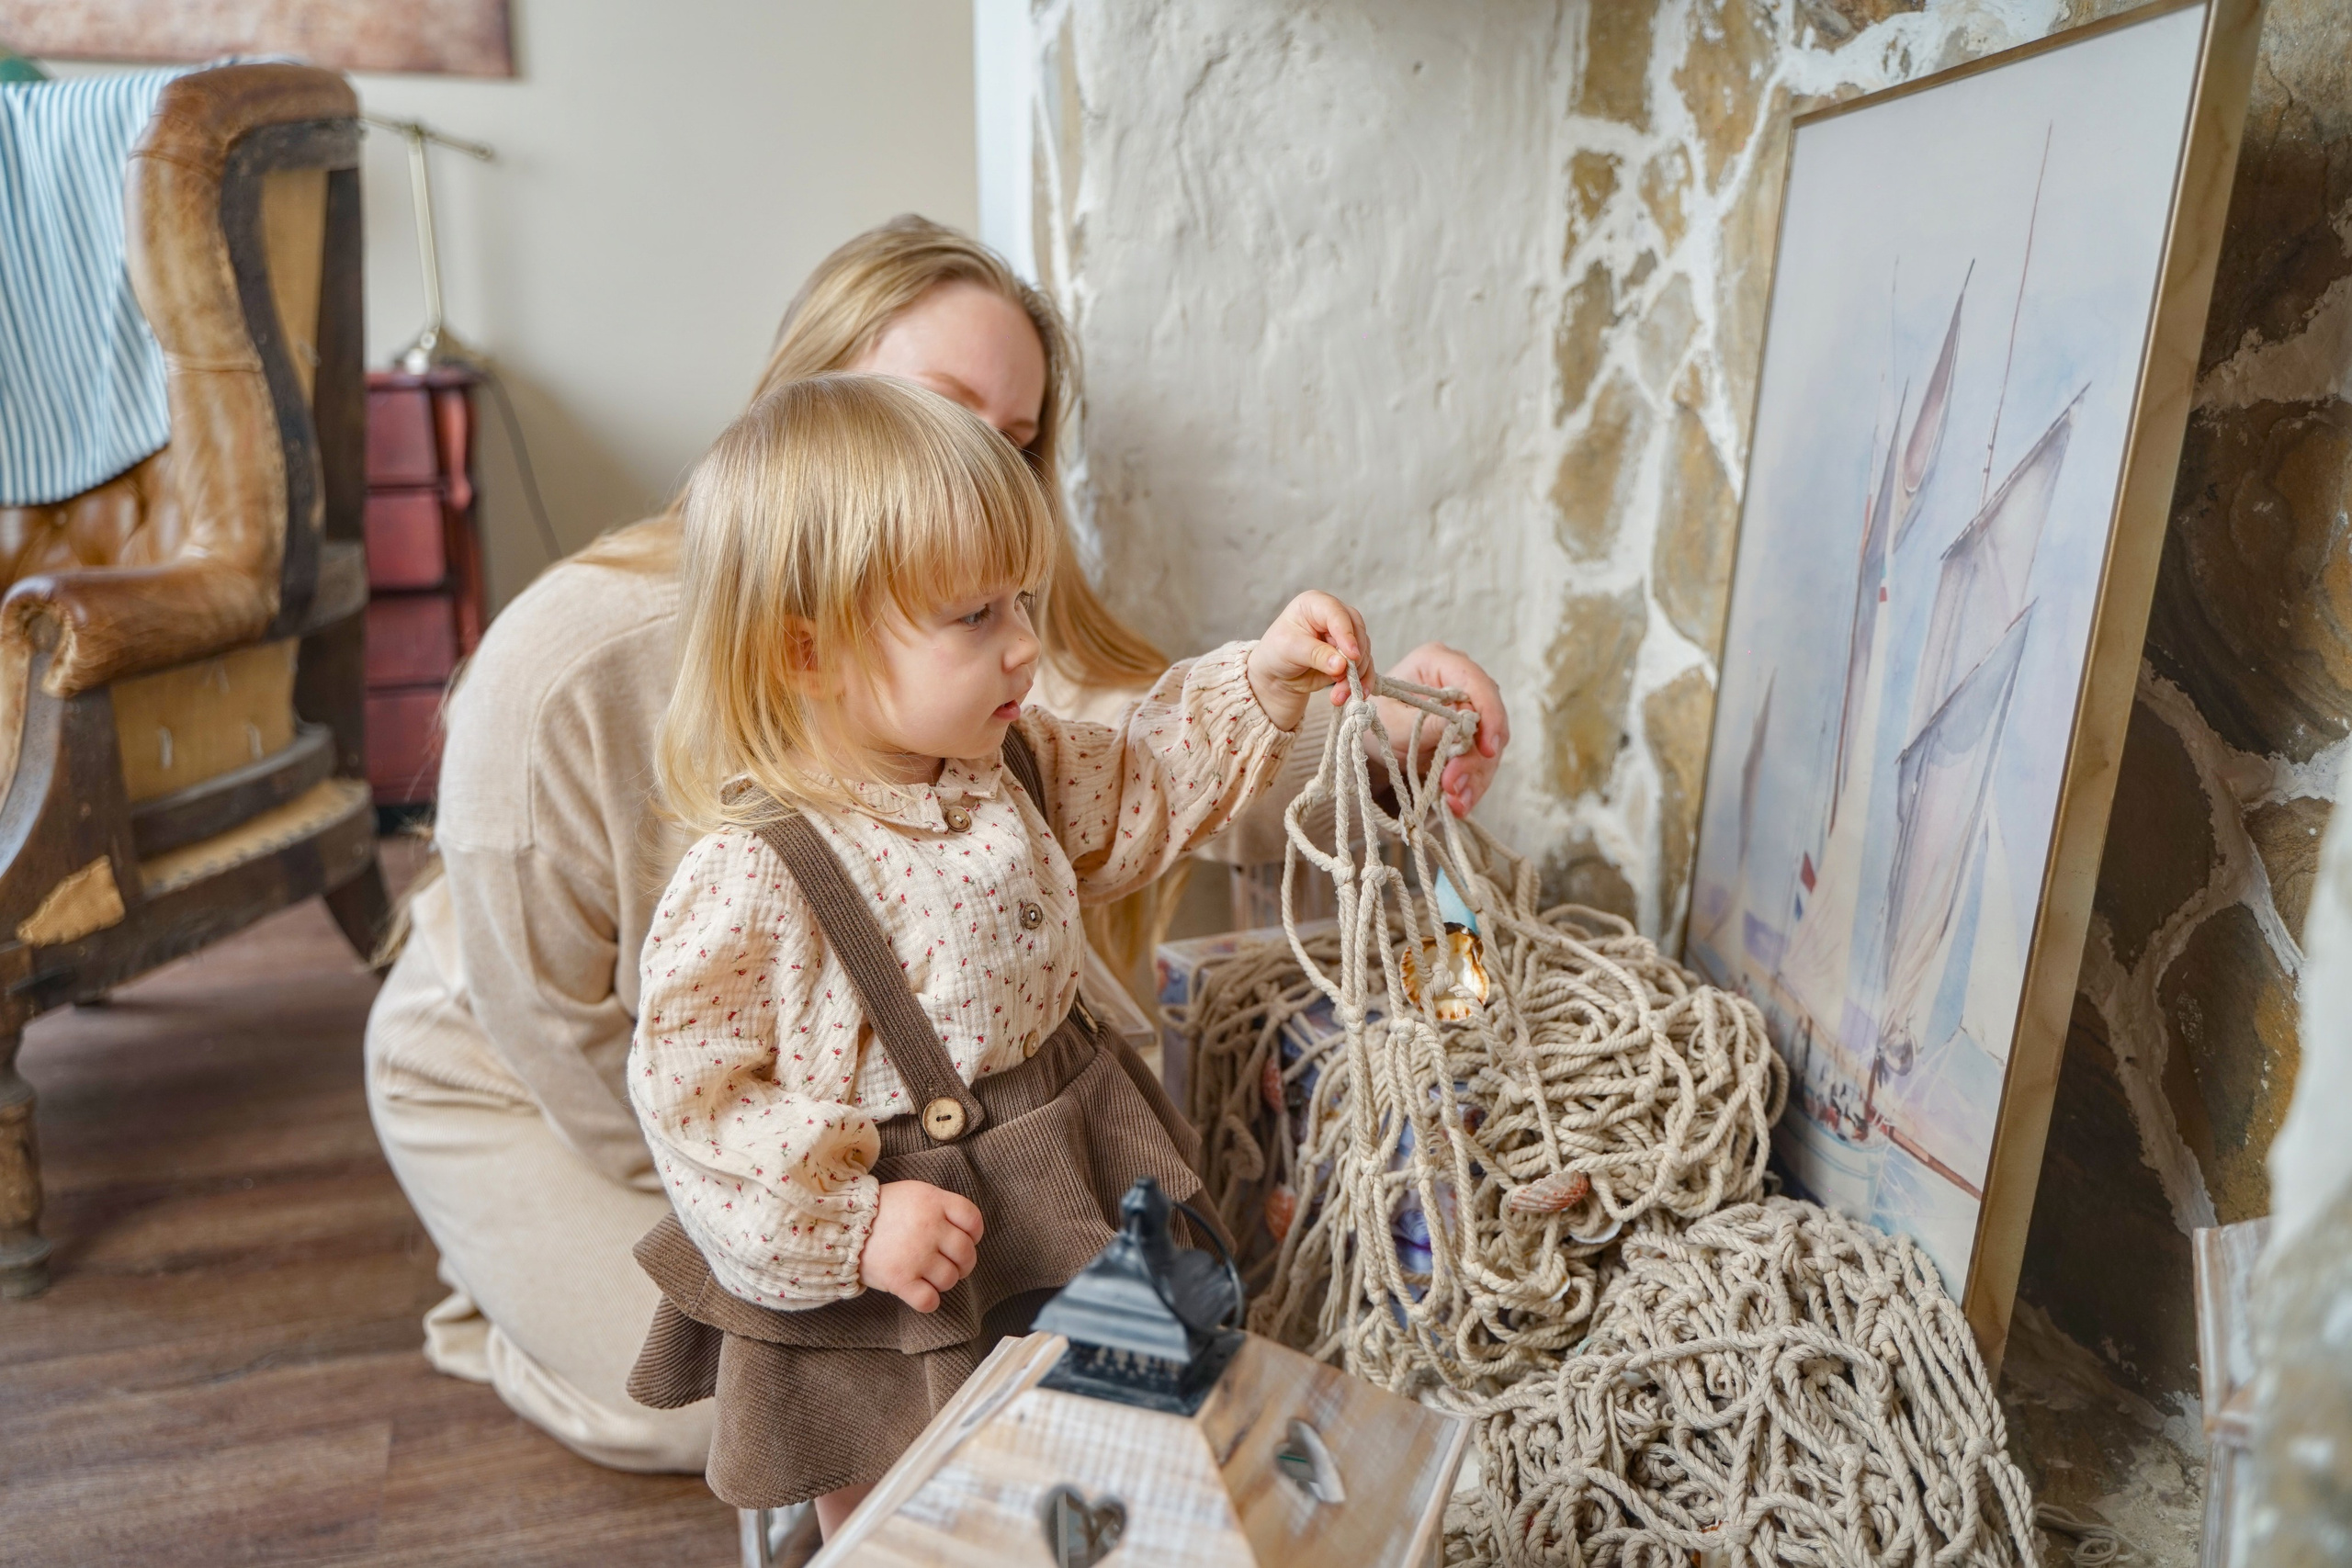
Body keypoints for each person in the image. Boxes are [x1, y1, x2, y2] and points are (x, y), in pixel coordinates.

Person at [363, 215, 1510, 1474]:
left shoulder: (966, 678)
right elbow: (612, 1059)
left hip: (892, 1117)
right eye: (945, 406)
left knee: (1031, 1392)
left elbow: (1139, 764)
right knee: (734, 1400)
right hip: (547, 1066)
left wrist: (1373, 711)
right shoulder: (571, 668)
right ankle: (500, 1294)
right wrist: (805, 1232)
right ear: (818, 391)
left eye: (1014, 441)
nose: (980, 457)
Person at [628, 373, 1372, 1529]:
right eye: (975, 617)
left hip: (1059, 1174)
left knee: (1100, 1454)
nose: (1025, 647)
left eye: (1018, 602)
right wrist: (852, 1225)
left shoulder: (1009, 771)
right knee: (907, 1504)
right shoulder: (756, 873)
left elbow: (1147, 787)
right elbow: (698, 1096)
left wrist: (1262, 679)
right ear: (807, 653)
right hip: (897, 1239)